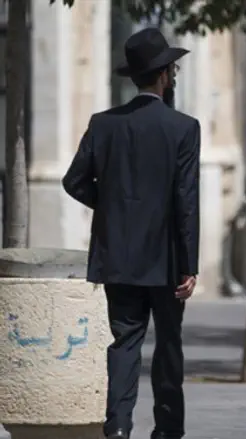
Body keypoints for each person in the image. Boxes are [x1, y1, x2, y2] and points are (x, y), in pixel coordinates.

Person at [62, 27, 200, 439]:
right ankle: (167, 429)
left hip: (117, 254)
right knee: (168, 343)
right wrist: (190, 265)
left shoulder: (103, 124)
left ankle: (119, 427)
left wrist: (112, 208)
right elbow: (186, 200)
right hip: (167, 258)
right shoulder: (183, 127)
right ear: (162, 75)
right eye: (172, 70)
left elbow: (74, 181)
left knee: (124, 342)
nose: (173, 76)